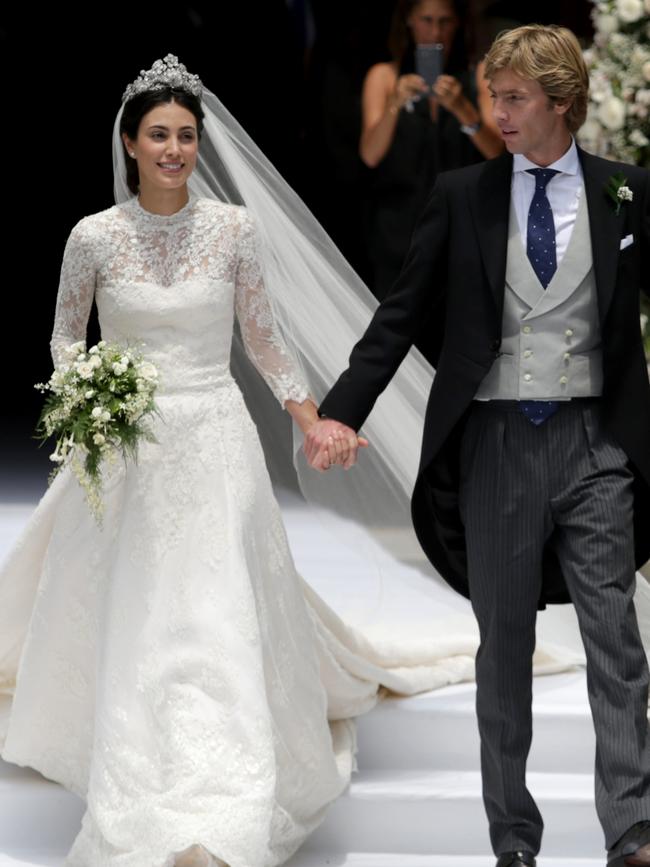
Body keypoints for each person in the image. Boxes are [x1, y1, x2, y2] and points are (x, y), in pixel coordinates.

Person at [0, 54, 492, 867]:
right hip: (127, 443)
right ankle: (135, 743)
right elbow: (64, 335)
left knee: (214, 596)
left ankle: (220, 771)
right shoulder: (92, 236)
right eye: (158, 134)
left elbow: (263, 340)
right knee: (136, 596)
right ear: (129, 143)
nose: (174, 149)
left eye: (186, 136)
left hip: (213, 436)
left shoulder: (233, 229)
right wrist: (80, 395)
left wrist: (312, 418)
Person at [307, 24, 650, 867]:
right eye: (493, 95)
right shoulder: (463, 195)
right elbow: (401, 314)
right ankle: (514, 840)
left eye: (514, 98)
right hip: (495, 444)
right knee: (504, 649)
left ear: (561, 105)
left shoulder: (626, 194)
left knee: (617, 640)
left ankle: (634, 831)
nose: (496, 111)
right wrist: (344, 410)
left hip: (596, 444)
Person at [359, 0, 503, 300]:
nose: (434, 31)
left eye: (444, 21)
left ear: (458, 24)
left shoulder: (478, 76)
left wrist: (464, 109)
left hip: (462, 233)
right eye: (426, 20)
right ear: (409, 21)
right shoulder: (384, 77)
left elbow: (498, 153)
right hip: (399, 233)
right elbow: (370, 154)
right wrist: (395, 104)